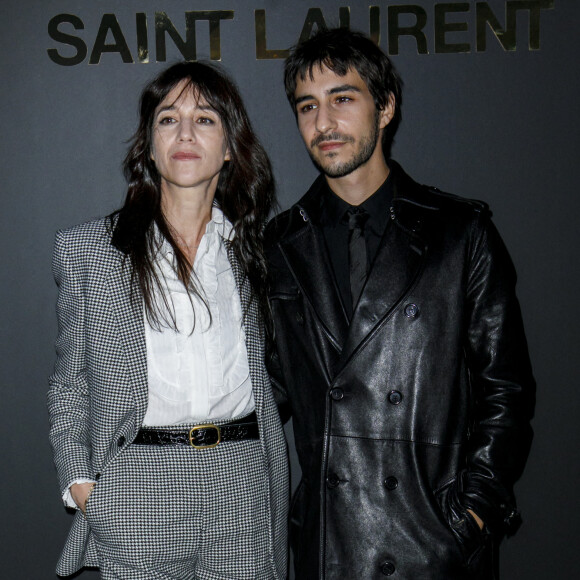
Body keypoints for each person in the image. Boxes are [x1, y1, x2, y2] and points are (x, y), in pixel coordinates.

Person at [265, 28, 535, 579]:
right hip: (330, 549)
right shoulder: (277, 246)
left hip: (433, 548)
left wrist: (470, 517)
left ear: (385, 107)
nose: (324, 124)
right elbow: (261, 394)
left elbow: (506, 390)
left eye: (343, 99)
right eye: (307, 107)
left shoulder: (460, 235)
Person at [48, 61, 288, 579]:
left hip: (242, 480)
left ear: (229, 145)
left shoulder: (260, 252)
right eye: (167, 119)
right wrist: (84, 487)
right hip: (138, 488)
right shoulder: (90, 251)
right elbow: (72, 382)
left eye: (204, 119)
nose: (184, 133)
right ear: (149, 145)